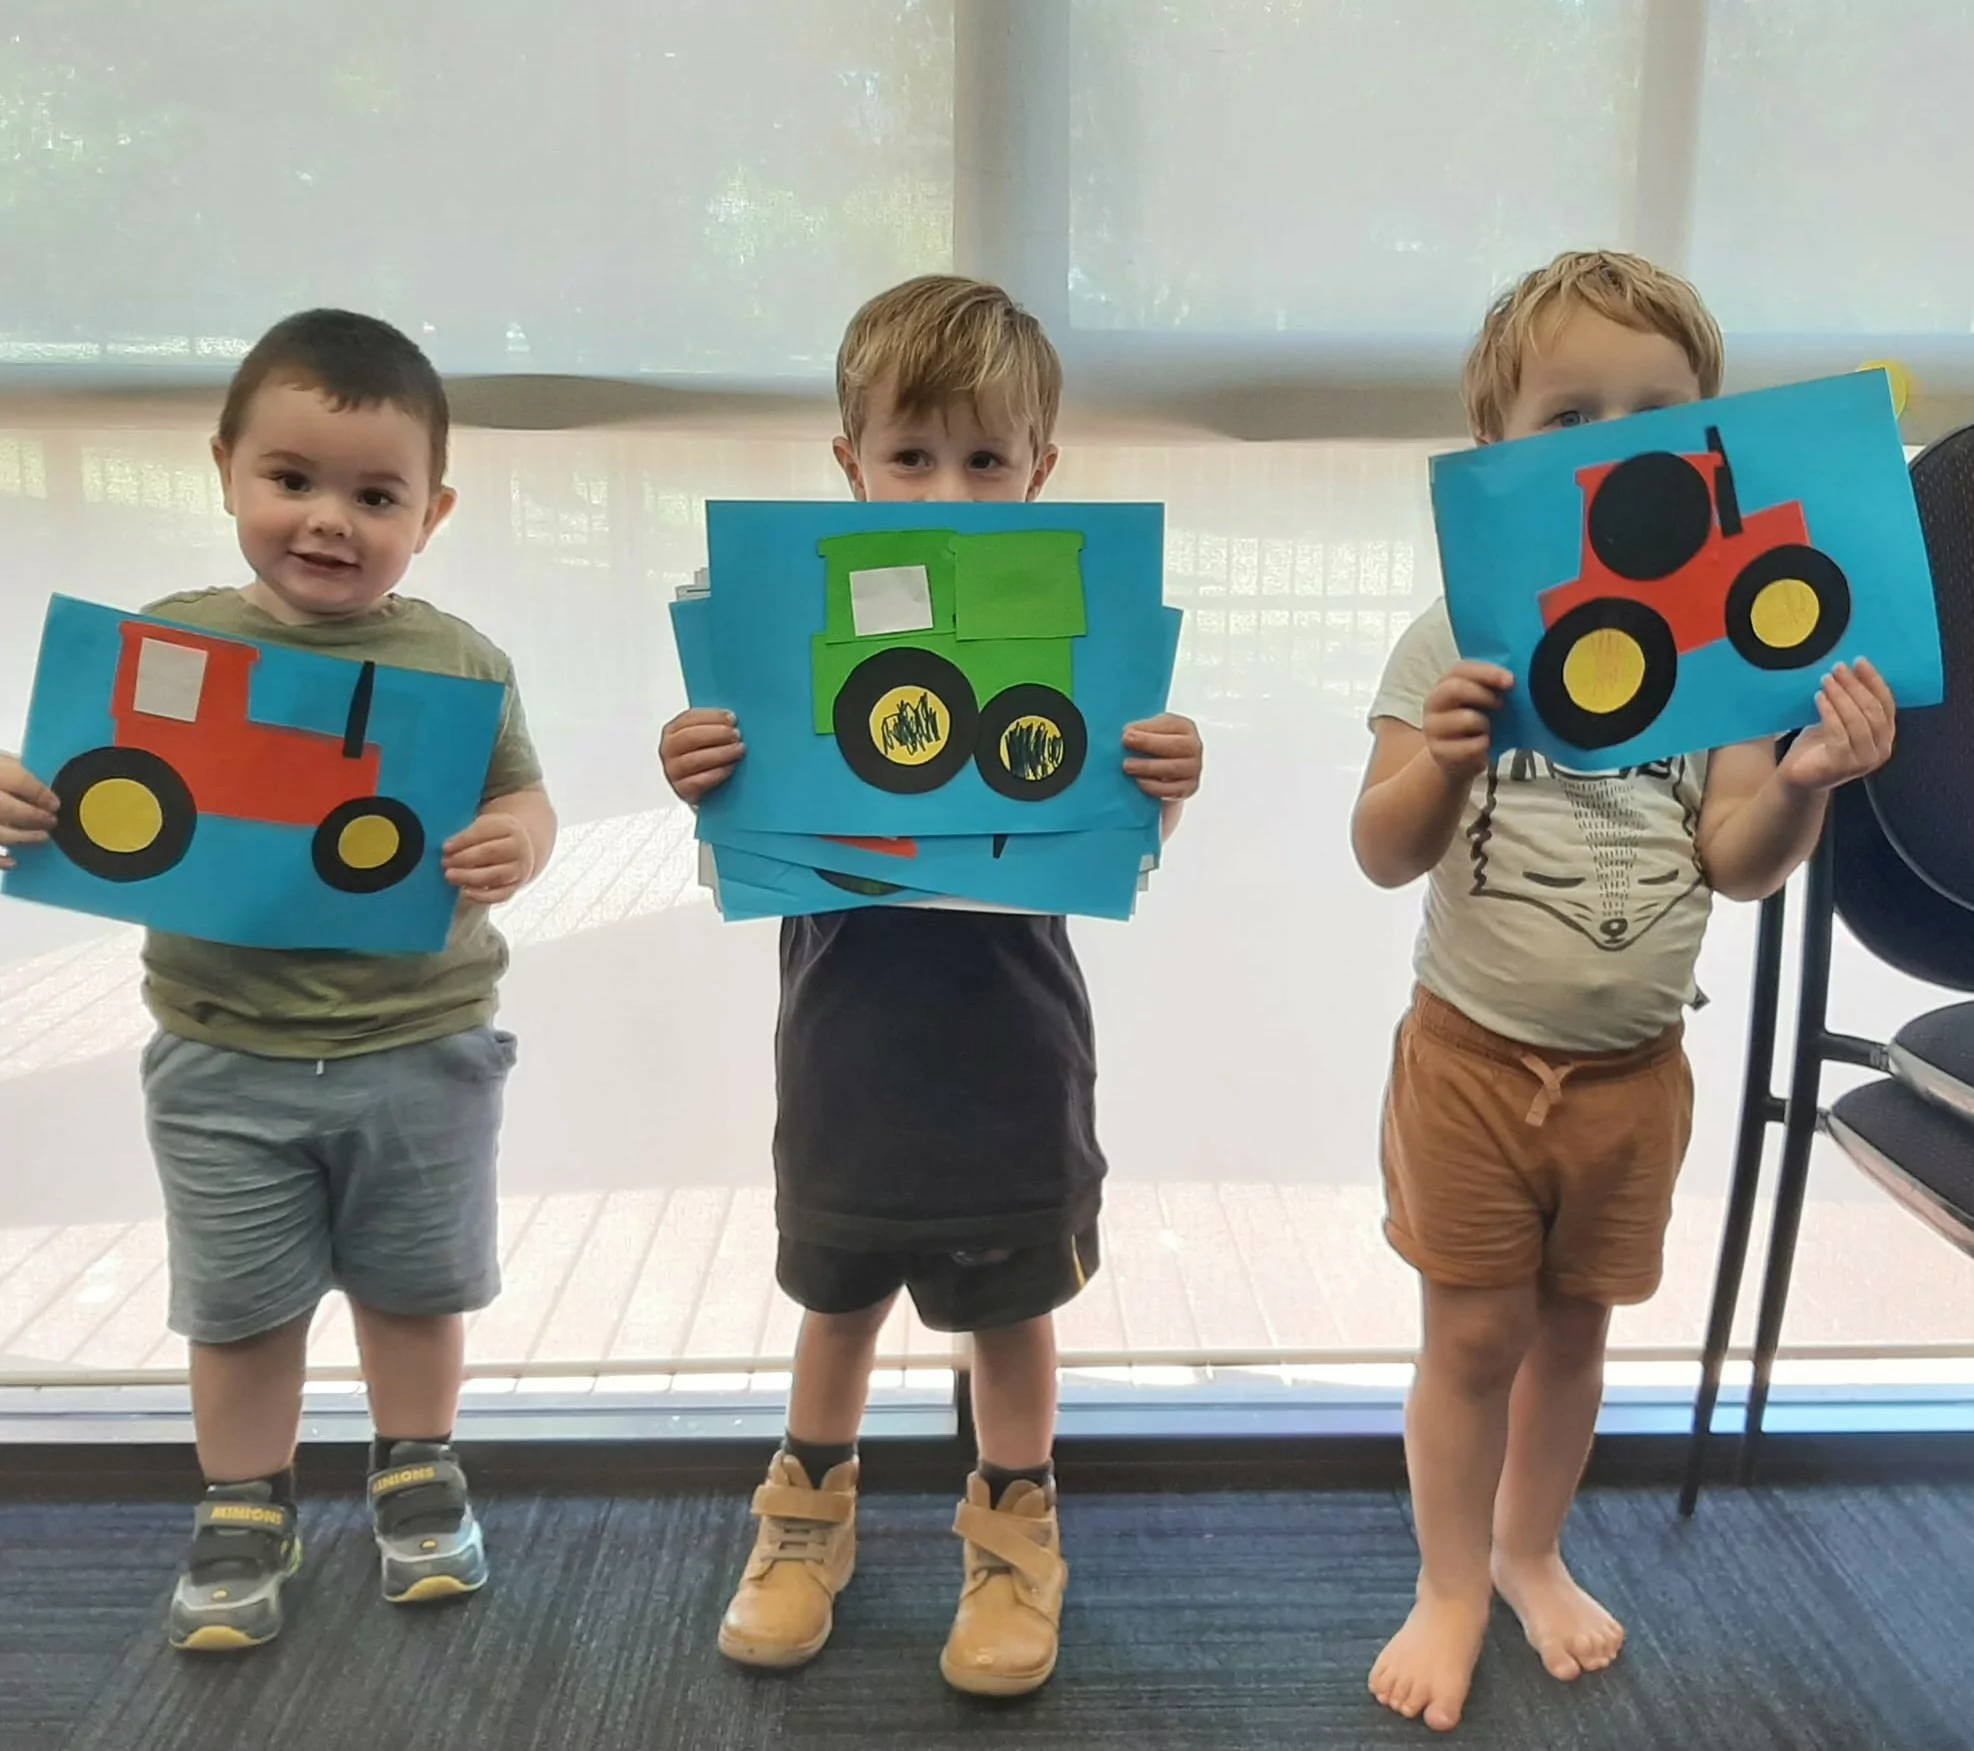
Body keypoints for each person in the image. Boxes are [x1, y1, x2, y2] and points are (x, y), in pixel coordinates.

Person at [1352, 250, 1898, 1732]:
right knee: (1470, 1336)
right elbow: (1379, 852)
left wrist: (1802, 780)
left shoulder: (1725, 644)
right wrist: (1441, 754)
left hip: (1632, 1072)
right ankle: (1449, 1576)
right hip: (1466, 1058)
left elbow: (1734, 862)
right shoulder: (1446, 636)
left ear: (1705, 448)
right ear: (1495, 453)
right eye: (1567, 411)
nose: (1610, 441)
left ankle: (1528, 1547)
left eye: (1651, 413)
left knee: (1577, 1332)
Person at [660, 274, 1204, 1696]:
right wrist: (701, 767)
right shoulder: (775, 629)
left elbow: (1112, 844)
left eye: (984, 458)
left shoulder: (1078, 637)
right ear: (848, 466)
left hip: (1010, 1049)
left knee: (1009, 1312)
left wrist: (1163, 780)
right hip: (844, 1046)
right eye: (911, 455)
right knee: (832, 1298)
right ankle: (805, 1519)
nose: (948, 485)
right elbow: (746, 821)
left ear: (1040, 469)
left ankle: (1015, 1532)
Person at [0, 309, 557, 1651]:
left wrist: (515, 844)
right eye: (292, 480)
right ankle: (243, 1501)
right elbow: (78, 805)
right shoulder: (162, 648)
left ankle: (417, 1469)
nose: (329, 521)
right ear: (226, 468)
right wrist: (24, 804)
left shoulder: (459, 660)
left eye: (376, 495)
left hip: (423, 1043)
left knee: (418, 1286)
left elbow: (524, 796)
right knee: (239, 1304)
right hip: (219, 1054)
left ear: (433, 511)